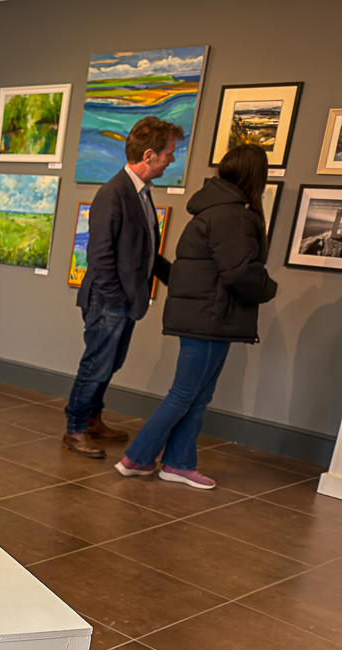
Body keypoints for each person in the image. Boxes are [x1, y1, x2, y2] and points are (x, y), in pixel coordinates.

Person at [115, 145, 278, 489]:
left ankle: (179, 464)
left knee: (196, 396)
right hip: (211, 317)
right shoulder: (232, 216)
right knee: (185, 395)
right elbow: (240, 272)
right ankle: (137, 458)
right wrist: (269, 288)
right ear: (255, 176)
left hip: (205, 316)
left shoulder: (213, 209)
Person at [63, 116, 184, 458]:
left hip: (124, 302)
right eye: (169, 153)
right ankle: (75, 429)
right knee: (95, 366)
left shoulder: (141, 193)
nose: (172, 159)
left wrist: (176, 278)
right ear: (149, 155)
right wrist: (117, 299)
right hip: (108, 302)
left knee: (110, 364)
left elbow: (146, 251)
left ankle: (92, 420)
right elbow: (99, 257)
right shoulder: (113, 194)